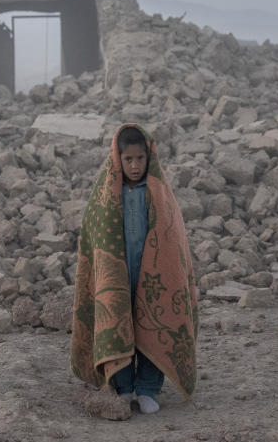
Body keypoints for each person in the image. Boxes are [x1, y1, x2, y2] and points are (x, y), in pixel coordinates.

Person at [70, 124, 199, 415]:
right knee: (117, 323)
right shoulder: (104, 193)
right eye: (128, 159)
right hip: (116, 275)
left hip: (152, 276)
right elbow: (93, 235)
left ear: (149, 156)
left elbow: (172, 234)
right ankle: (124, 385)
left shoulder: (158, 192)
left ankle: (148, 388)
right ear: (117, 159)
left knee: (153, 325)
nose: (135, 165)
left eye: (140, 158)